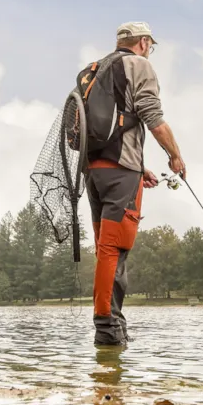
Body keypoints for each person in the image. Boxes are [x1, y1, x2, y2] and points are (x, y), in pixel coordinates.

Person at [85, 22, 185, 346]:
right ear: (143, 42)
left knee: (105, 248)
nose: (149, 51)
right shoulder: (140, 65)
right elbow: (151, 117)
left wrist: (141, 168)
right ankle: (108, 330)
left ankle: (113, 329)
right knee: (114, 249)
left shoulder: (95, 69)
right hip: (120, 174)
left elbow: (107, 126)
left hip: (92, 172)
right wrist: (175, 156)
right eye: (149, 45)